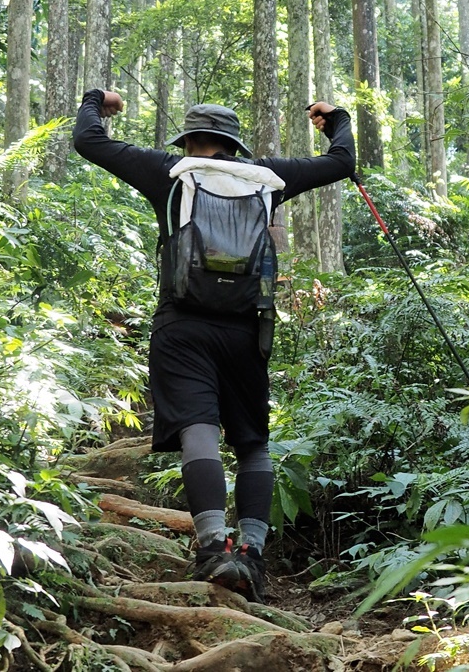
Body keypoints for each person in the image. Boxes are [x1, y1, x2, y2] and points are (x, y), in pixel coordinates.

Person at [73, 89, 356, 601]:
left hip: (182, 325)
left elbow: (88, 140)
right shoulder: (266, 178)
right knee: (252, 443)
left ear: (191, 139)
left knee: (198, 430)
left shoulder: (169, 171)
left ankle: (212, 549)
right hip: (247, 330)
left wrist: (100, 100)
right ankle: (252, 556)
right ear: (232, 144)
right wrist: (336, 119)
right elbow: (341, 162)